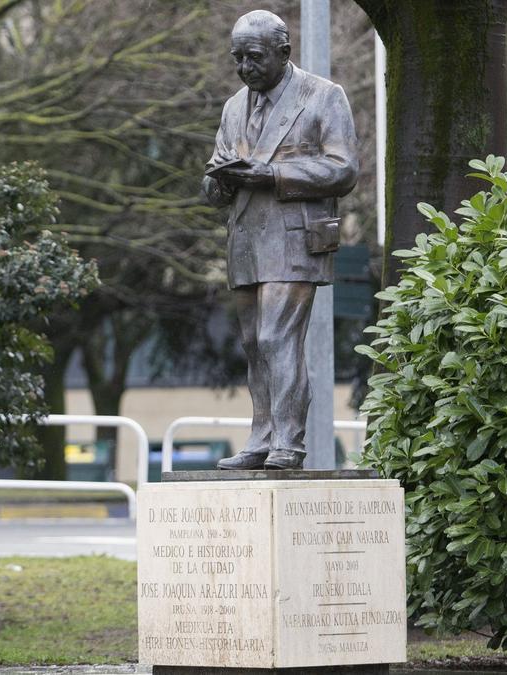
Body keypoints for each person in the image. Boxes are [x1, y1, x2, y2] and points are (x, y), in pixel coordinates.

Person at [201, 10, 358, 471]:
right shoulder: (234, 106)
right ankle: (261, 436)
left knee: (277, 337)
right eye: (237, 59)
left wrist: (271, 173)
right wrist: (222, 181)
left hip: (293, 239)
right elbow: (211, 186)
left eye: (254, 57)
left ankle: (288, 442)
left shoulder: (323, 96)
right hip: (246, 239)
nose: (245, 68)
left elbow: (343, 168)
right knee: (253, 341)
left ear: (283, 53)